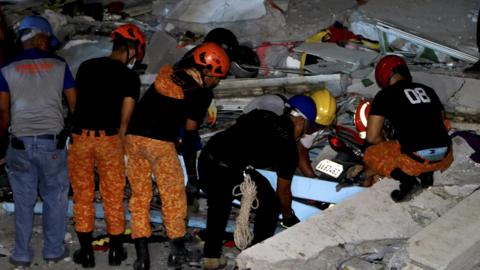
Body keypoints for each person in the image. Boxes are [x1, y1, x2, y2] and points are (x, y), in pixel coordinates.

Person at [125, 42, 230, 270]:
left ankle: (142, 258)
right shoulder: (201, 92)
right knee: (173, 198)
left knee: (139, 197)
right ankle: (177, 254)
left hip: (133, 139)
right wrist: (192, 175)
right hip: (159, 144)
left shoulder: (173, 74)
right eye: (216, 76)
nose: (216, 81)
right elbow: (191, 135)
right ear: (206, 71)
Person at [198, 95, 317, 269]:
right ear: (300, 121)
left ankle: (211, 257)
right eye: (306, 129)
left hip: (207, 159)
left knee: (219, 204)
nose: (304, 134)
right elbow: (283, 193)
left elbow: (243, 139)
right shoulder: (288, 148)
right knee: (270, 204)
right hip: (229, 170)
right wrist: (288, 217)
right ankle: (253, 259)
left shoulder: (261, 114)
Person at [0, 15, 76, 267]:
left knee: (23, 200)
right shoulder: (59, 65)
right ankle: (53, 252)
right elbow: (75, 104)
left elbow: (3, 111)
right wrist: (71, 133)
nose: (48, 45)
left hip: (19, 143)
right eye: (47, 40)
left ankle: (21, 255)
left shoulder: (6, 68)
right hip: (51, 144)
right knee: (55, 197)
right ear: (40, 37)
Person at [68, 23, 144, 268]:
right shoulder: (130, 77)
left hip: (80, 138)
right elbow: (125, 119)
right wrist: (122, 149)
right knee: (113, 196)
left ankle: (87, 253)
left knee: (82, 197)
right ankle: (115, 251)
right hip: (109, 139)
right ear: (132, 50)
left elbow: (77, 105)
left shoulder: (86, 67)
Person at [363, 55, 453, 202]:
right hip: (445, 156)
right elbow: (443, 123)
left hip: (415, 160)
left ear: (383, 75)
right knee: (419, 143)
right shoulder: (428, 90)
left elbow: (372, 137)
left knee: (371, 154)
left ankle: (407, 181)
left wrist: (388, 149)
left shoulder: (384, 95)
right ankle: (426, 175)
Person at [243, 89, 337, 177]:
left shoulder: (310, 122)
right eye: (314, 126)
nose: (314, 130)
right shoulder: (275, 109)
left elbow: (301, 149)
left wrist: (312, 178)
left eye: (319, 127)